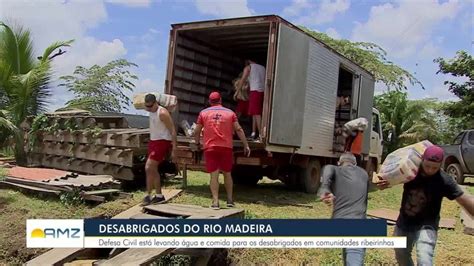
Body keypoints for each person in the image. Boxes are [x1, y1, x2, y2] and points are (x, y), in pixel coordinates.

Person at [376, 145, 474, 266]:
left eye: (435, 168)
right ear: (422, 160)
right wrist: (383, 183)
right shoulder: (411, 170)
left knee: (424, 259)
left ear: (440, 165)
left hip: (427, 225)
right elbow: (388, 178)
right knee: (401, 254)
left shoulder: (444, 180)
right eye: (427, 166)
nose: (430, 170)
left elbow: (464, 199)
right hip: (405, 222)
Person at [193, 91, 251, 209]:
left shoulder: (203, 113)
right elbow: (239, 129)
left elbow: (197, 131)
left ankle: (215, 202)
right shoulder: (230, 113)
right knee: (227, 174)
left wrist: (197, 142)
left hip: (210, 147)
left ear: (209, 101)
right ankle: (229, 200)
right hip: (226, 148)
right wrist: (246, 145)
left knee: (213, 176)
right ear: (220, 100)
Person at [318, 152, 369, 266]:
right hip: (359, 222)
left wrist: (325, 188)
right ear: (355, 164)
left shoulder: (335, 169)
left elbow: (328, 168)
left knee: (349, 253)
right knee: (354, 252)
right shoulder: (364, 174)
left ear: (339, 163)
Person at [142, 93, 177, 206]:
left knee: (148, 166)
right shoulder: (150, 110)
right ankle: (158, 195)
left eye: (150, 106)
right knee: (151, 169)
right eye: (147, 107)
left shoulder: (162, 113)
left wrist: (174, 149)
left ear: (156, 103)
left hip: (162, 141)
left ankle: (149, 195)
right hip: (153, 141)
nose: (148, 109)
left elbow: (172, 130)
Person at [238, 59, 265, 140]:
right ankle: (253, 133)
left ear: (248, 61)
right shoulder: (263, 68)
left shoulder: (249, 67)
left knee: (256, 114)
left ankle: (260, 135)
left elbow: (243, 79)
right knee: (255, 113)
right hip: (262, 91)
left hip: (254, 91)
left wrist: (237, 91)